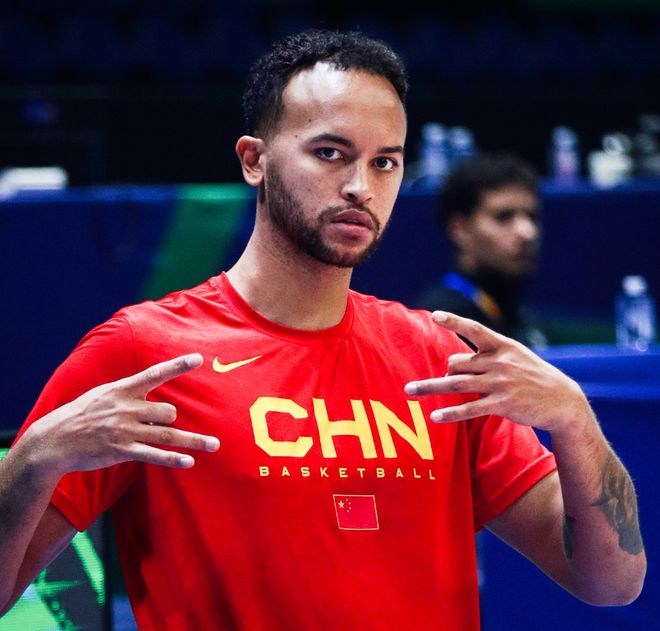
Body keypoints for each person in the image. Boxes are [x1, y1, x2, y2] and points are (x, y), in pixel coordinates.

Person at [0, 29, 645, 630]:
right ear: (254, 160)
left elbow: (612, 582)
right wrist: (30, 462)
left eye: (385, 162)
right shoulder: (146, 351)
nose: (360, 187)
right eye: (330, 153)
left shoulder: (439, 358)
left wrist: (575, 420)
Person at [416, 152, 548, 348]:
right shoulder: (436, 322)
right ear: (460, 229)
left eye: (531, 216)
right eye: (503, 217)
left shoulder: (526, 320)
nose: (527, 232)